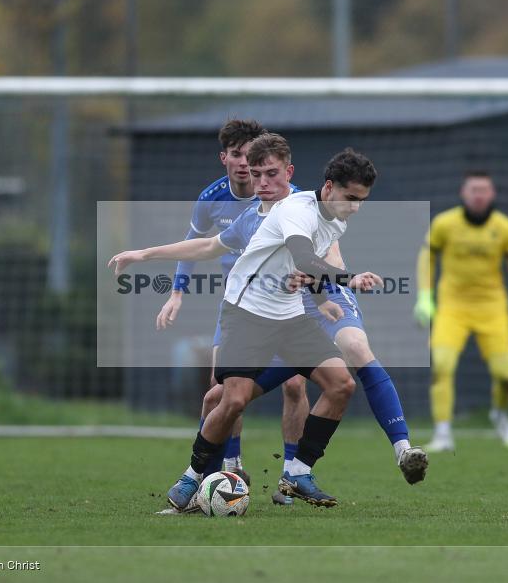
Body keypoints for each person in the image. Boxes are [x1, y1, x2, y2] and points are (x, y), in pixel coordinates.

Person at [112, 137, 428, 508]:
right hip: (247, 315)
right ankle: (192, 477)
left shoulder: (335, 218)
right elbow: (303, 259)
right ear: (329, 188)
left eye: (361, 200)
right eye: (351, 198)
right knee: (231, 401)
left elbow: (298, 269)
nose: (356, 208)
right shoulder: (297, 210)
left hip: (290, 317)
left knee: (341, 384)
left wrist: (322, 299)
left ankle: (297, 472)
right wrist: (349, 278)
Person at [152, 118, 309, 497]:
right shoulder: (212, 199)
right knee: (221, 391)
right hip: (238, 306)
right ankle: (230, 468)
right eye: (238, 155)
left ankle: (291, 472)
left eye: (252, 156)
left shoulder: (291, 198)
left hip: (286, 304)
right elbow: (196, 245)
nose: (245, 164)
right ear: (225, 158)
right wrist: (177, 292)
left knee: (294, 382)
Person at [414, 171, 508, 452]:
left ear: (492, 194)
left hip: (492, 307)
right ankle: (443, 434)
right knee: (442, 366)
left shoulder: (505, 227)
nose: (479, 195)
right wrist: (424, 296)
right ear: (463, 193)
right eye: (473, 189)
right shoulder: (445, 223)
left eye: (484, 190)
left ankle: (500, 414)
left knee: (506, 376)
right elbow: (427, 257)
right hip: (453, 307)